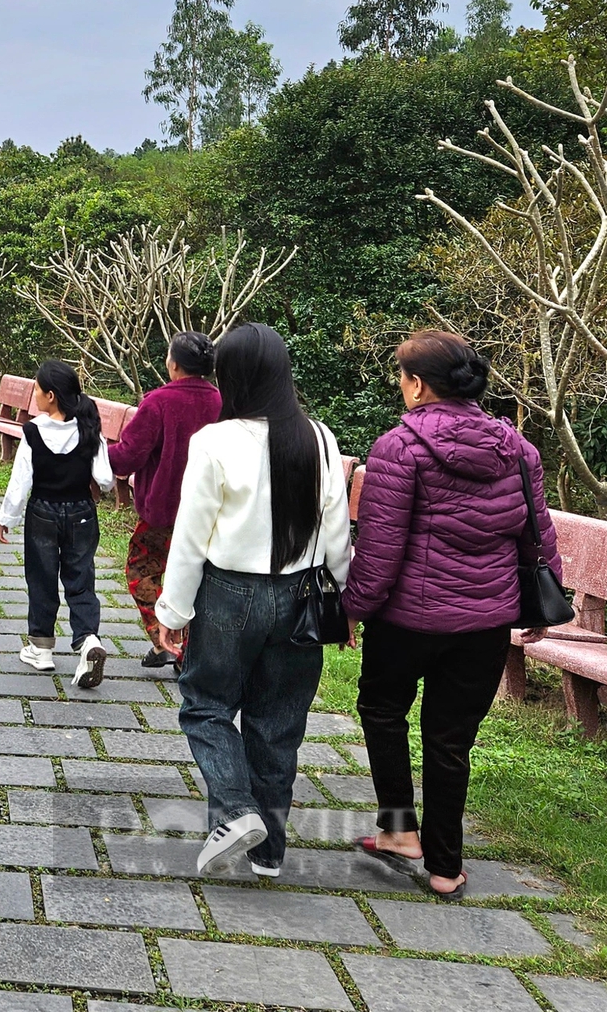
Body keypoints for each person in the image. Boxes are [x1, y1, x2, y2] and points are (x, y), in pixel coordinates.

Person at [346, 329, 557, 901]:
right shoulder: (518, 449)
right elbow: (537, 533)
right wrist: (543, 601)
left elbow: (381, 548)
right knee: (449, 739)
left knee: (383, 710)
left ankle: (399, 832)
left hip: (406, 620)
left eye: (401, 375)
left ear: (416, 385)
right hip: (485, 622)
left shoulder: (399, 446)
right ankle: (445, 868)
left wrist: (352, 609)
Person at [156, 323, 351, 879]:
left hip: (229, 594)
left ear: (231, 378)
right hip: (302, 594)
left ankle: (236, 810)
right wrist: (343, 600)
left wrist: (173, 612)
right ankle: (269, 852)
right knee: (278, 722)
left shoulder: (215, 442)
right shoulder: (318, 437)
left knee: (207, 705)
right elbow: (336, 531)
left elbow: (191, 535)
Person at [0, 360, 114, 689]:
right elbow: (105, 478)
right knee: (80, 578)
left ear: (50, 395)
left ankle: (41, 649)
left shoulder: (33, 431)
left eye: (36, 389)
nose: (34, 394)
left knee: (42, 579)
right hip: (82, 514)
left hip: (43, 513)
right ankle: (88, 640)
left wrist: (7, 519)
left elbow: (20, 483)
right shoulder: (89, 430)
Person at [109, 332, 222, 670]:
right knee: (198, 578)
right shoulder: (222, 401)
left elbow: (128, 457)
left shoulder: (158, 402)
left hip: (165, 510)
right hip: (212, 512)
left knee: (140, 572)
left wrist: (94, 453)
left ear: (173, 364)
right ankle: (181, 647)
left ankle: (168, 641)